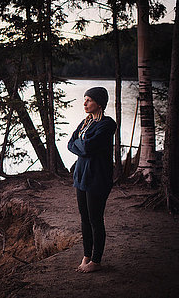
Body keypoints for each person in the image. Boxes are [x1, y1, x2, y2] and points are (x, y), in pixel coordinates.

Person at [68, 87, 117, 273]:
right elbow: (70, 143)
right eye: (84, 99)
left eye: (88, 100)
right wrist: (82, 144)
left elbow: (86, 146)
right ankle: (86, 256)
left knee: (95, 219)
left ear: (99, 102)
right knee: (84, 219)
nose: (85, 103)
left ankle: (96, 261)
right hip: (81, 176)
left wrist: (81, 144)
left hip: (98, 177)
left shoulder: (107, 124)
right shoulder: (84, 123)